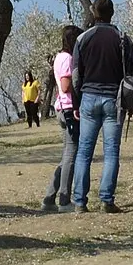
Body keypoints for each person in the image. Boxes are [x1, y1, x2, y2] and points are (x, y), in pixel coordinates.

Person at [70, 0, 133, 213]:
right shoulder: (122, 38)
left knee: (84, 152)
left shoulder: (82, 38)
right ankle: (106, 200)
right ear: (112, 13)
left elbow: (76, 74)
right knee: (111, 152)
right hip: (114, 100)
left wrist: (76, 101)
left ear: (93, 12)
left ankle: (80, 201)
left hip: (88, 97)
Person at [41, 27, 80, 211]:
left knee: (66, 155)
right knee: (71, 154)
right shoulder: (68, 59)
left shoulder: (59, 57)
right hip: (69, 109)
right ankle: (64, 199)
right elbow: (65, 86)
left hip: (61, 108)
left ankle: (50, 197)